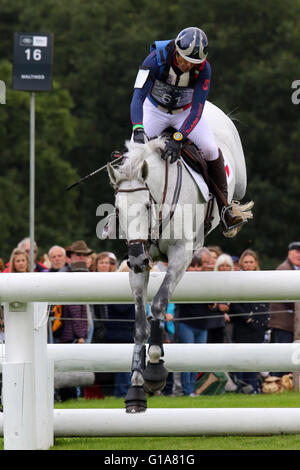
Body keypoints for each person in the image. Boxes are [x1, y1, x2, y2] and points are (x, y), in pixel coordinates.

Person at [130, 26, 244, 235]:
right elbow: (138, 97)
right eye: (184, 60)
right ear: (176, 51)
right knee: (134, 152)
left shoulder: (204, 69)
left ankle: (225, 207)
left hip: (185, 112)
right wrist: (138, 129)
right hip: (154, 110)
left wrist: (179, 138)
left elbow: (198, 109)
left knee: (210, 149)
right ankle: (120, 213)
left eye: (193, 63)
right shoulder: (154, 60)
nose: (187, 66)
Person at [229, 249, 269, 393]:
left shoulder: (262, 279)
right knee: (242, 358)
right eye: (245, 262)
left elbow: (265, 302)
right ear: (241, 264)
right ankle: (241, 388)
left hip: (259, 326)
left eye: (251, 262)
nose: (248, 264)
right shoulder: (236, 280)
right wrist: (247, 319)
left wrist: (263, 321)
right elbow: (233, 304)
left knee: (255, 358)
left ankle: (254, 388)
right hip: (242, 326)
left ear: (256, 263)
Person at [57, 240, 91, 401]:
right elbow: (74, 309)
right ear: (70, 257)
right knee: (69, 367)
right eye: (79, 254)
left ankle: (74, 397)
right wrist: (81, 335)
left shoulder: (83, 273)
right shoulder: (67, 274)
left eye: (84, 255)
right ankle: (71, 398)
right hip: (70, 330)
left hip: (79, 327)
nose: (82, 257)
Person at [175, 251, 211, 396]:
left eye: (198, 266)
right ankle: (186, 389)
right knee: (187, 358)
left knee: (198, 359)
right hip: (186, 324)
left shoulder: (206, 282)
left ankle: (193, 388)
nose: (195, 269)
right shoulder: (181, 280)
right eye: (192, 266)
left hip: (203, 325)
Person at [268, 242, 300, 376]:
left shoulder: (294, 269)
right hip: (283, 324)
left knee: (288, 357)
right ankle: (276, 383)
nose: (299, 255)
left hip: (289, 323)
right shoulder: (284, 269)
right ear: (289, 253)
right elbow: (287, 297)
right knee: (283, 358)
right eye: (296, 252)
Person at [206, 254, 233, 343]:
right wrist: (218, 307)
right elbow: (208, 302)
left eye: (227, 266)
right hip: (213, 321)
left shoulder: (234, 281)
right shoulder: (212, 281)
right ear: (218, 267)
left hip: (230, 321)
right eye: (222, 265)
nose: (225, 268)